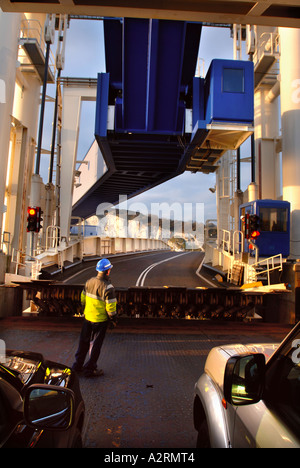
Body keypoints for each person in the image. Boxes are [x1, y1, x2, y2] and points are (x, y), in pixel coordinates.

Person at [72, 258, 117, 378]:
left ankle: (77, 366)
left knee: (83, 343)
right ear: (108, 271)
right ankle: (90, 369)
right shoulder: (108, 287)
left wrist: (85, 310)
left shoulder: (89, 282)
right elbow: (111, 308)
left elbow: (82, 299)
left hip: (87, 318)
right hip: (100, 321)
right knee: (95, 345)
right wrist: (113, 320)